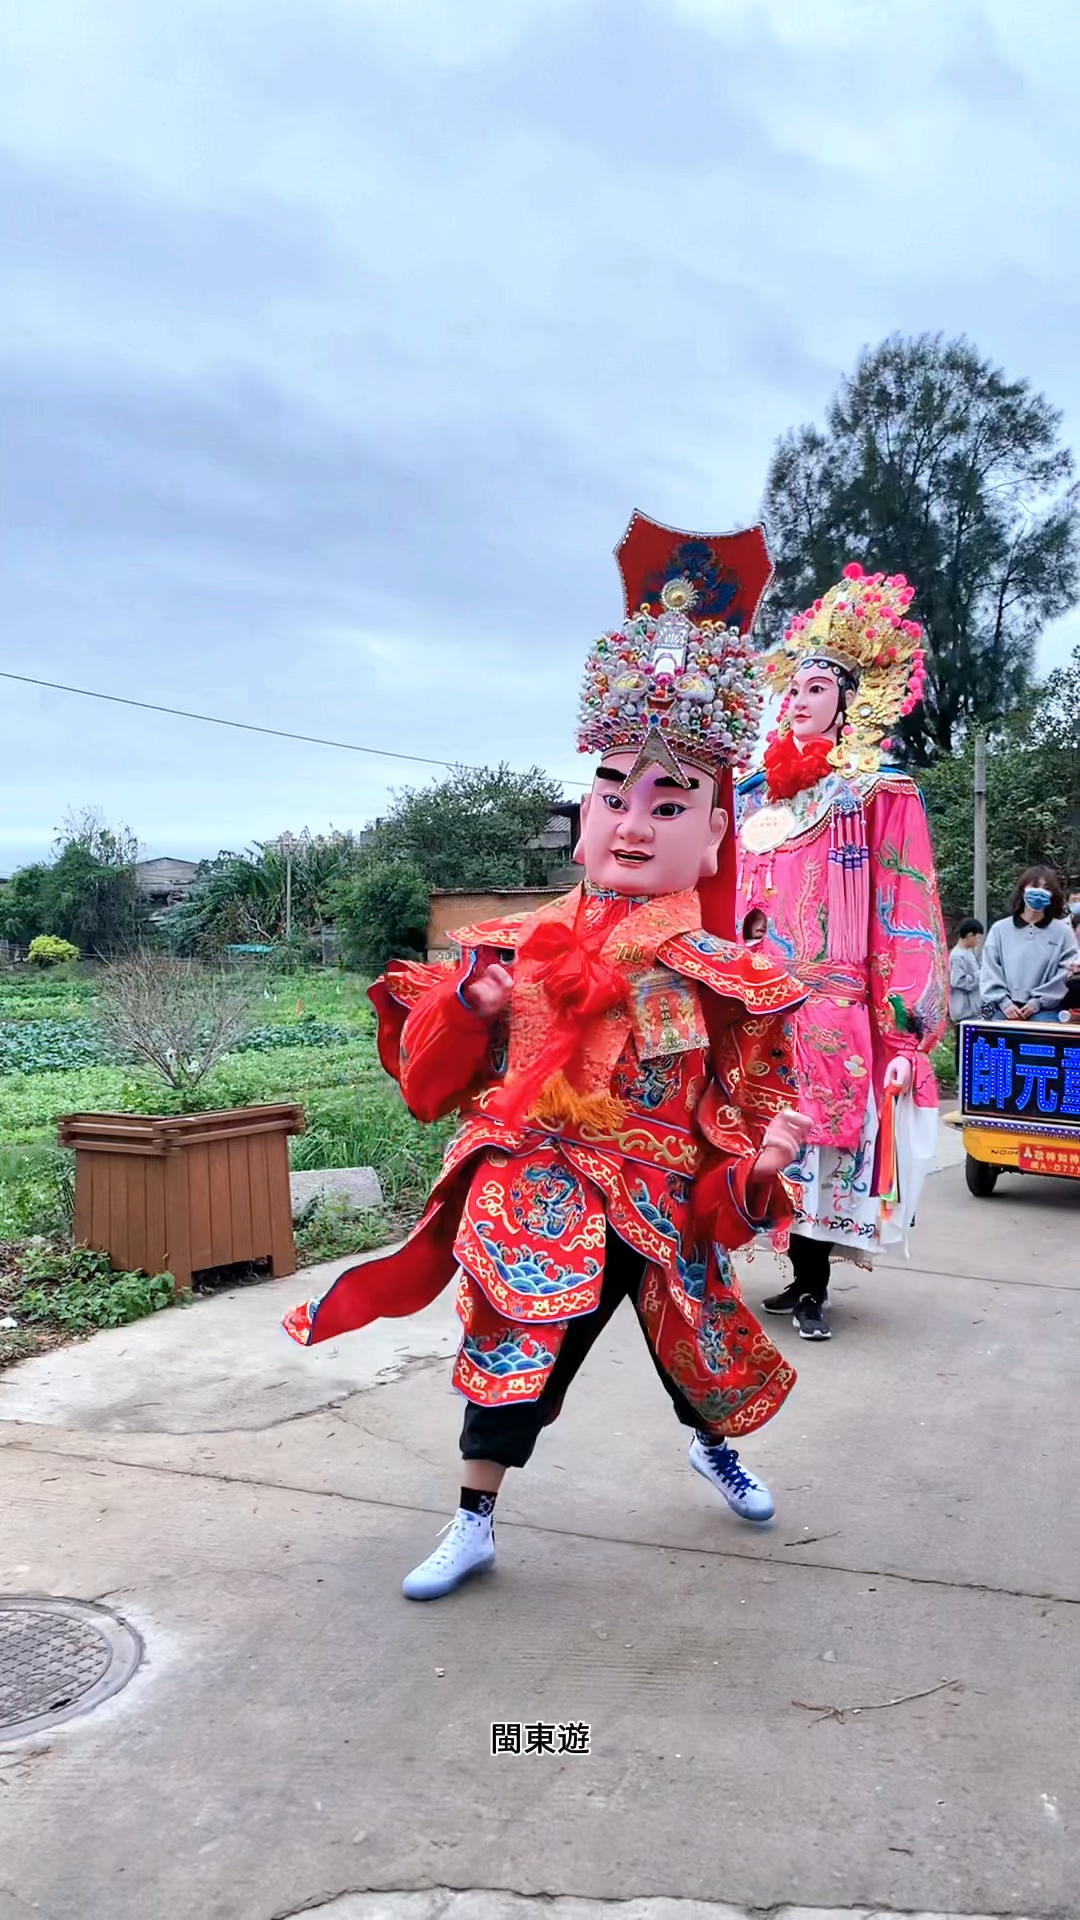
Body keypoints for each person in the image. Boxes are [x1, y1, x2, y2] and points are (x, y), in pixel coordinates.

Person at [284, 511, 812, 1600]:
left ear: (714, 836)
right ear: (581, 818)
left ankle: (714, 1444)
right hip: (534, 1185)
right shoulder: (504, 946)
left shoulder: (731, 978)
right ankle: (473, 1519)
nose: (633, 821)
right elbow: (432, 1090)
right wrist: (471, 1013)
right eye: (613, 795)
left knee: (696, 1350)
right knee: (518, 1353)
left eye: (669, 802)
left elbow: (749, 1115)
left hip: (662, 1196)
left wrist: (761, 1170)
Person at [736, 563, 948, 1343]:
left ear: (851, 704)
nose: (799, 698)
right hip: (756, 998)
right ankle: (780, 1270)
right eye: (794, 687)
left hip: (831, 1001)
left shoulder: (878, 793)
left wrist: (903, 1028)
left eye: (818, 689)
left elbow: (907, 908)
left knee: (824, 1143)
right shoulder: (754, 793)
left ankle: (813, 1282)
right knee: (761, 1138)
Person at [979, 868, 1078, 1022]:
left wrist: (1037, 1002)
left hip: (1045, 1010)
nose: (1039, 892)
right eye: (1034, 886)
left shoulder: (1063, 932)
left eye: (1046, 889)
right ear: (1023, 889)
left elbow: (1066, 972)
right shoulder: (1000, 929)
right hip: (1002, 1008)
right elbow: (990, 970)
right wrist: (1005, 1003)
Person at [949, 918, 984, 1070]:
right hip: (963, 1009)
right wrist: (980, 975)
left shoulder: (967, 953)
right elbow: (957, 981)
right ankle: (960, 1078)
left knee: (970, 1047)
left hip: (970, 1009)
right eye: (978, 937)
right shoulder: (958, 956)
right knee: (963, 1047)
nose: (978, 941)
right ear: (970, 935)